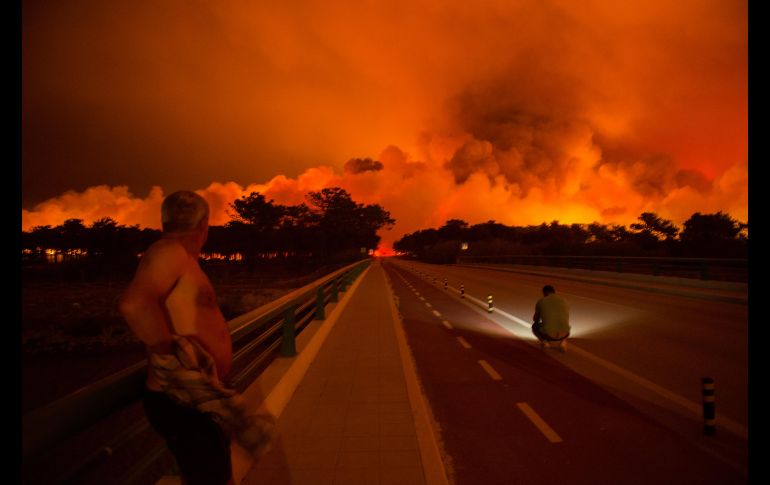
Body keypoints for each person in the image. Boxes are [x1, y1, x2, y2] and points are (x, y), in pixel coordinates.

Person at [120, 190, 273, 485]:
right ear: (205, 224)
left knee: (215, 473)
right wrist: (170, 354)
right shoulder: (170, 252)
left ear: (164, 220)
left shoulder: (180, 257)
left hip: (198, 395)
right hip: (183, 398)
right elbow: (134, 304)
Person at [532, 284, 570, 352]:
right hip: (565, 333)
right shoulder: (564, 300)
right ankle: (563, 343)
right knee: (563, 325)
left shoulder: (541, 301)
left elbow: (535, 319)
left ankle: (545, 342)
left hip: (549, 335)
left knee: (535, 326)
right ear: (554, 292)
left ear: (544, 293)